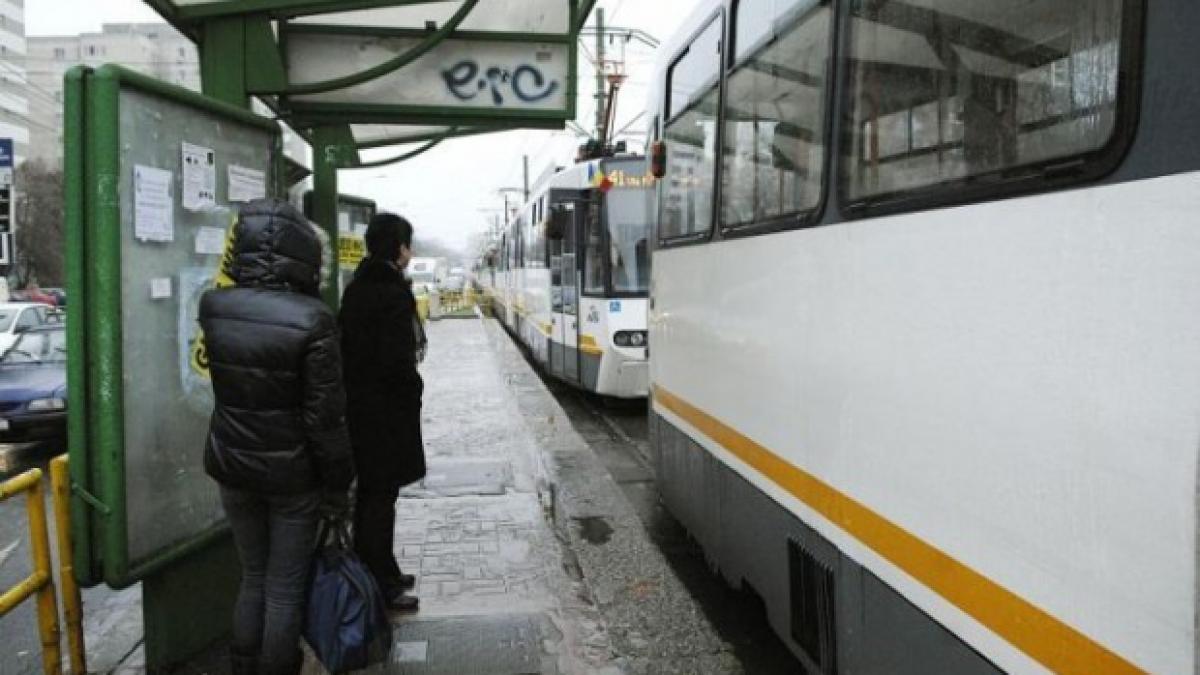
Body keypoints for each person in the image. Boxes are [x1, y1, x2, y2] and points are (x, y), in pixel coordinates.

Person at [200, 199, 355, 675]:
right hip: (291, 475)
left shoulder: (214, 306)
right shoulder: (313, 319)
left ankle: (242, 665)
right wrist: (338, 486)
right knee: (285, 586)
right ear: (303, 254)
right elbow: (325, 419)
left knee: (253, 575)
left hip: (231, 465)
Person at [339, 213, 427, 612]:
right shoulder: (390, 292)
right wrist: (414, 389)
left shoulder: (357, 286)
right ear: (397, 247)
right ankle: (381, 582)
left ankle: (381, 568)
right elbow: (397, 360)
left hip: (360, 407)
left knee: (372, 495)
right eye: (406, 244)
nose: (409, 251)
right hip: (385, 412)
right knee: (380, 498)